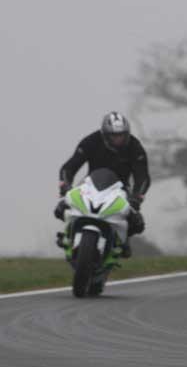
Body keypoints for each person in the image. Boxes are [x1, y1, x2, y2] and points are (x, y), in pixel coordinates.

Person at [55, 111, 149, 258]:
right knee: (61, 207)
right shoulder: (91, 141)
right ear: (105, 134)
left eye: (121, 135)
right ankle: (67, 235)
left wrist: (137, 197)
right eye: (113, 135)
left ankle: (122, 243)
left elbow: (142, 176)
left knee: (137, 223)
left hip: (120, 189)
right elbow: (69, 167)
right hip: (89, 185)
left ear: (127, 133)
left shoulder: (135, 146)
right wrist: (65, 186)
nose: (118, 139)